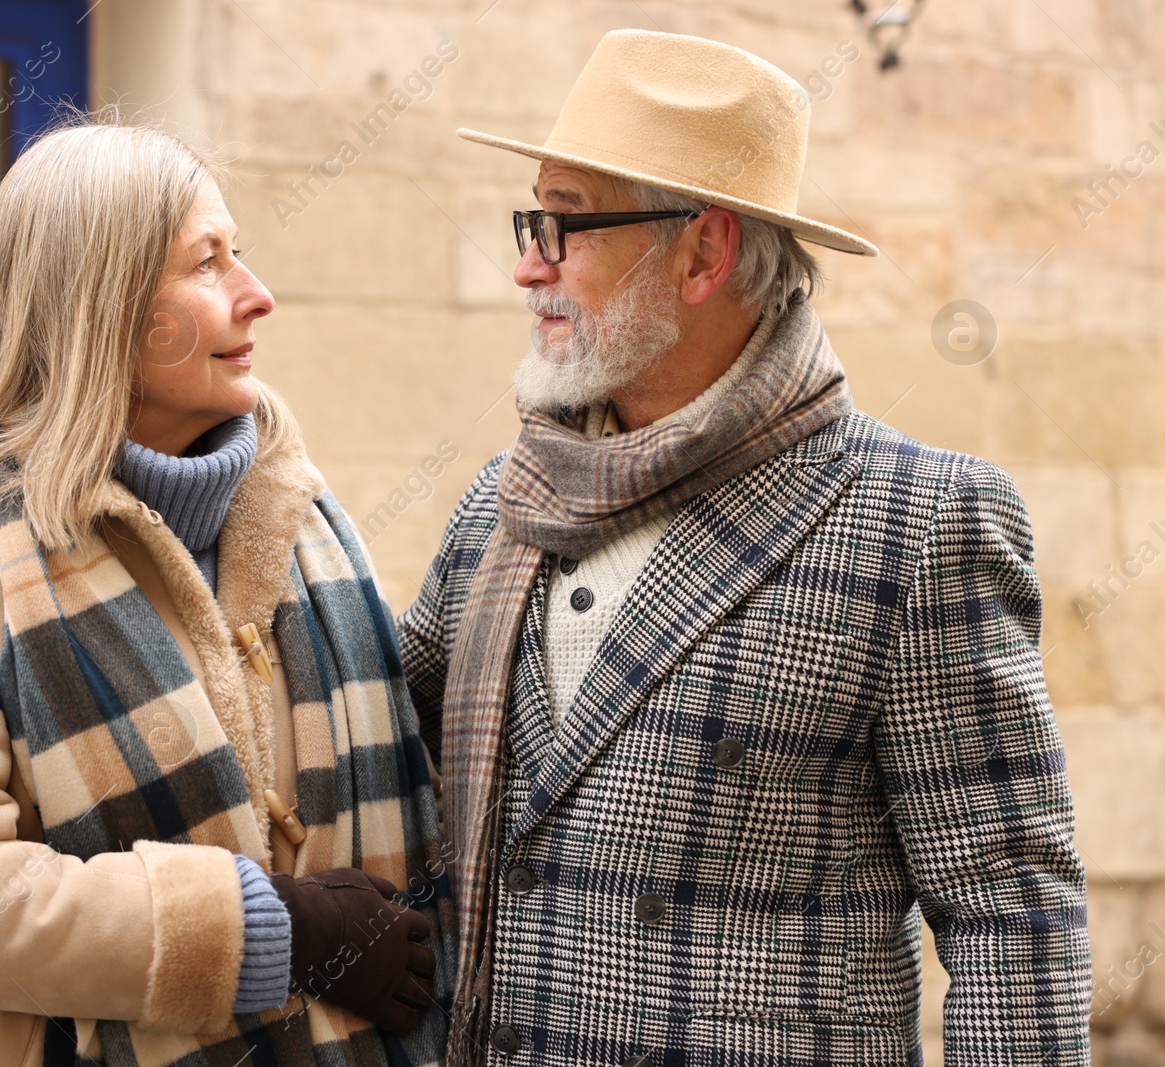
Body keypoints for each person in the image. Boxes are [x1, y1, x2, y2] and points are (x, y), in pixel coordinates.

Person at [399, 30, 1090, 1066]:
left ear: (701, 254)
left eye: (569, 224)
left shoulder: (918, 520)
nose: (525, 262)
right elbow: (369, 755)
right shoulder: (497, 509)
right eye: (532, 216)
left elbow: (1009, 909)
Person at [0, 115, 451, 1067]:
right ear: (103, 306)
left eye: (240, 254)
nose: (259, 296)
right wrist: (271, 930)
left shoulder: (302, 518)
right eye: (209, 264)